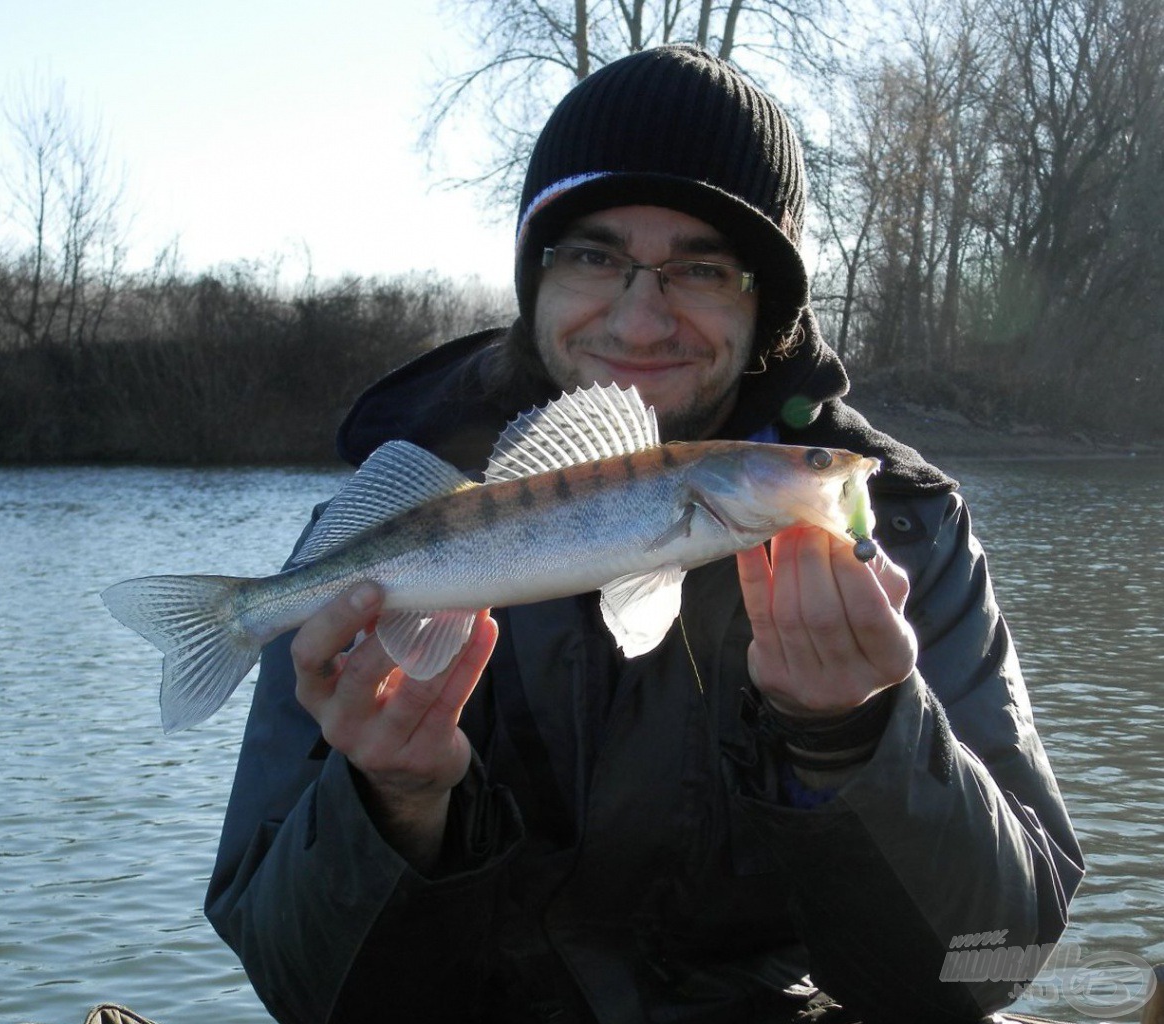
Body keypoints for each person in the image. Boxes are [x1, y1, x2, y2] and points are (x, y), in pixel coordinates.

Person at [204, 45, 1082, 1024]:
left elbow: (983, 964)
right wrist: (394, 804)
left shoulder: (907, 534)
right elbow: (299, 989)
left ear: (770, 310)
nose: (640, 314)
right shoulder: (369, 539)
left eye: (700, 267)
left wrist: (857, 740)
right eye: (593, 254)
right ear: (533, 279)